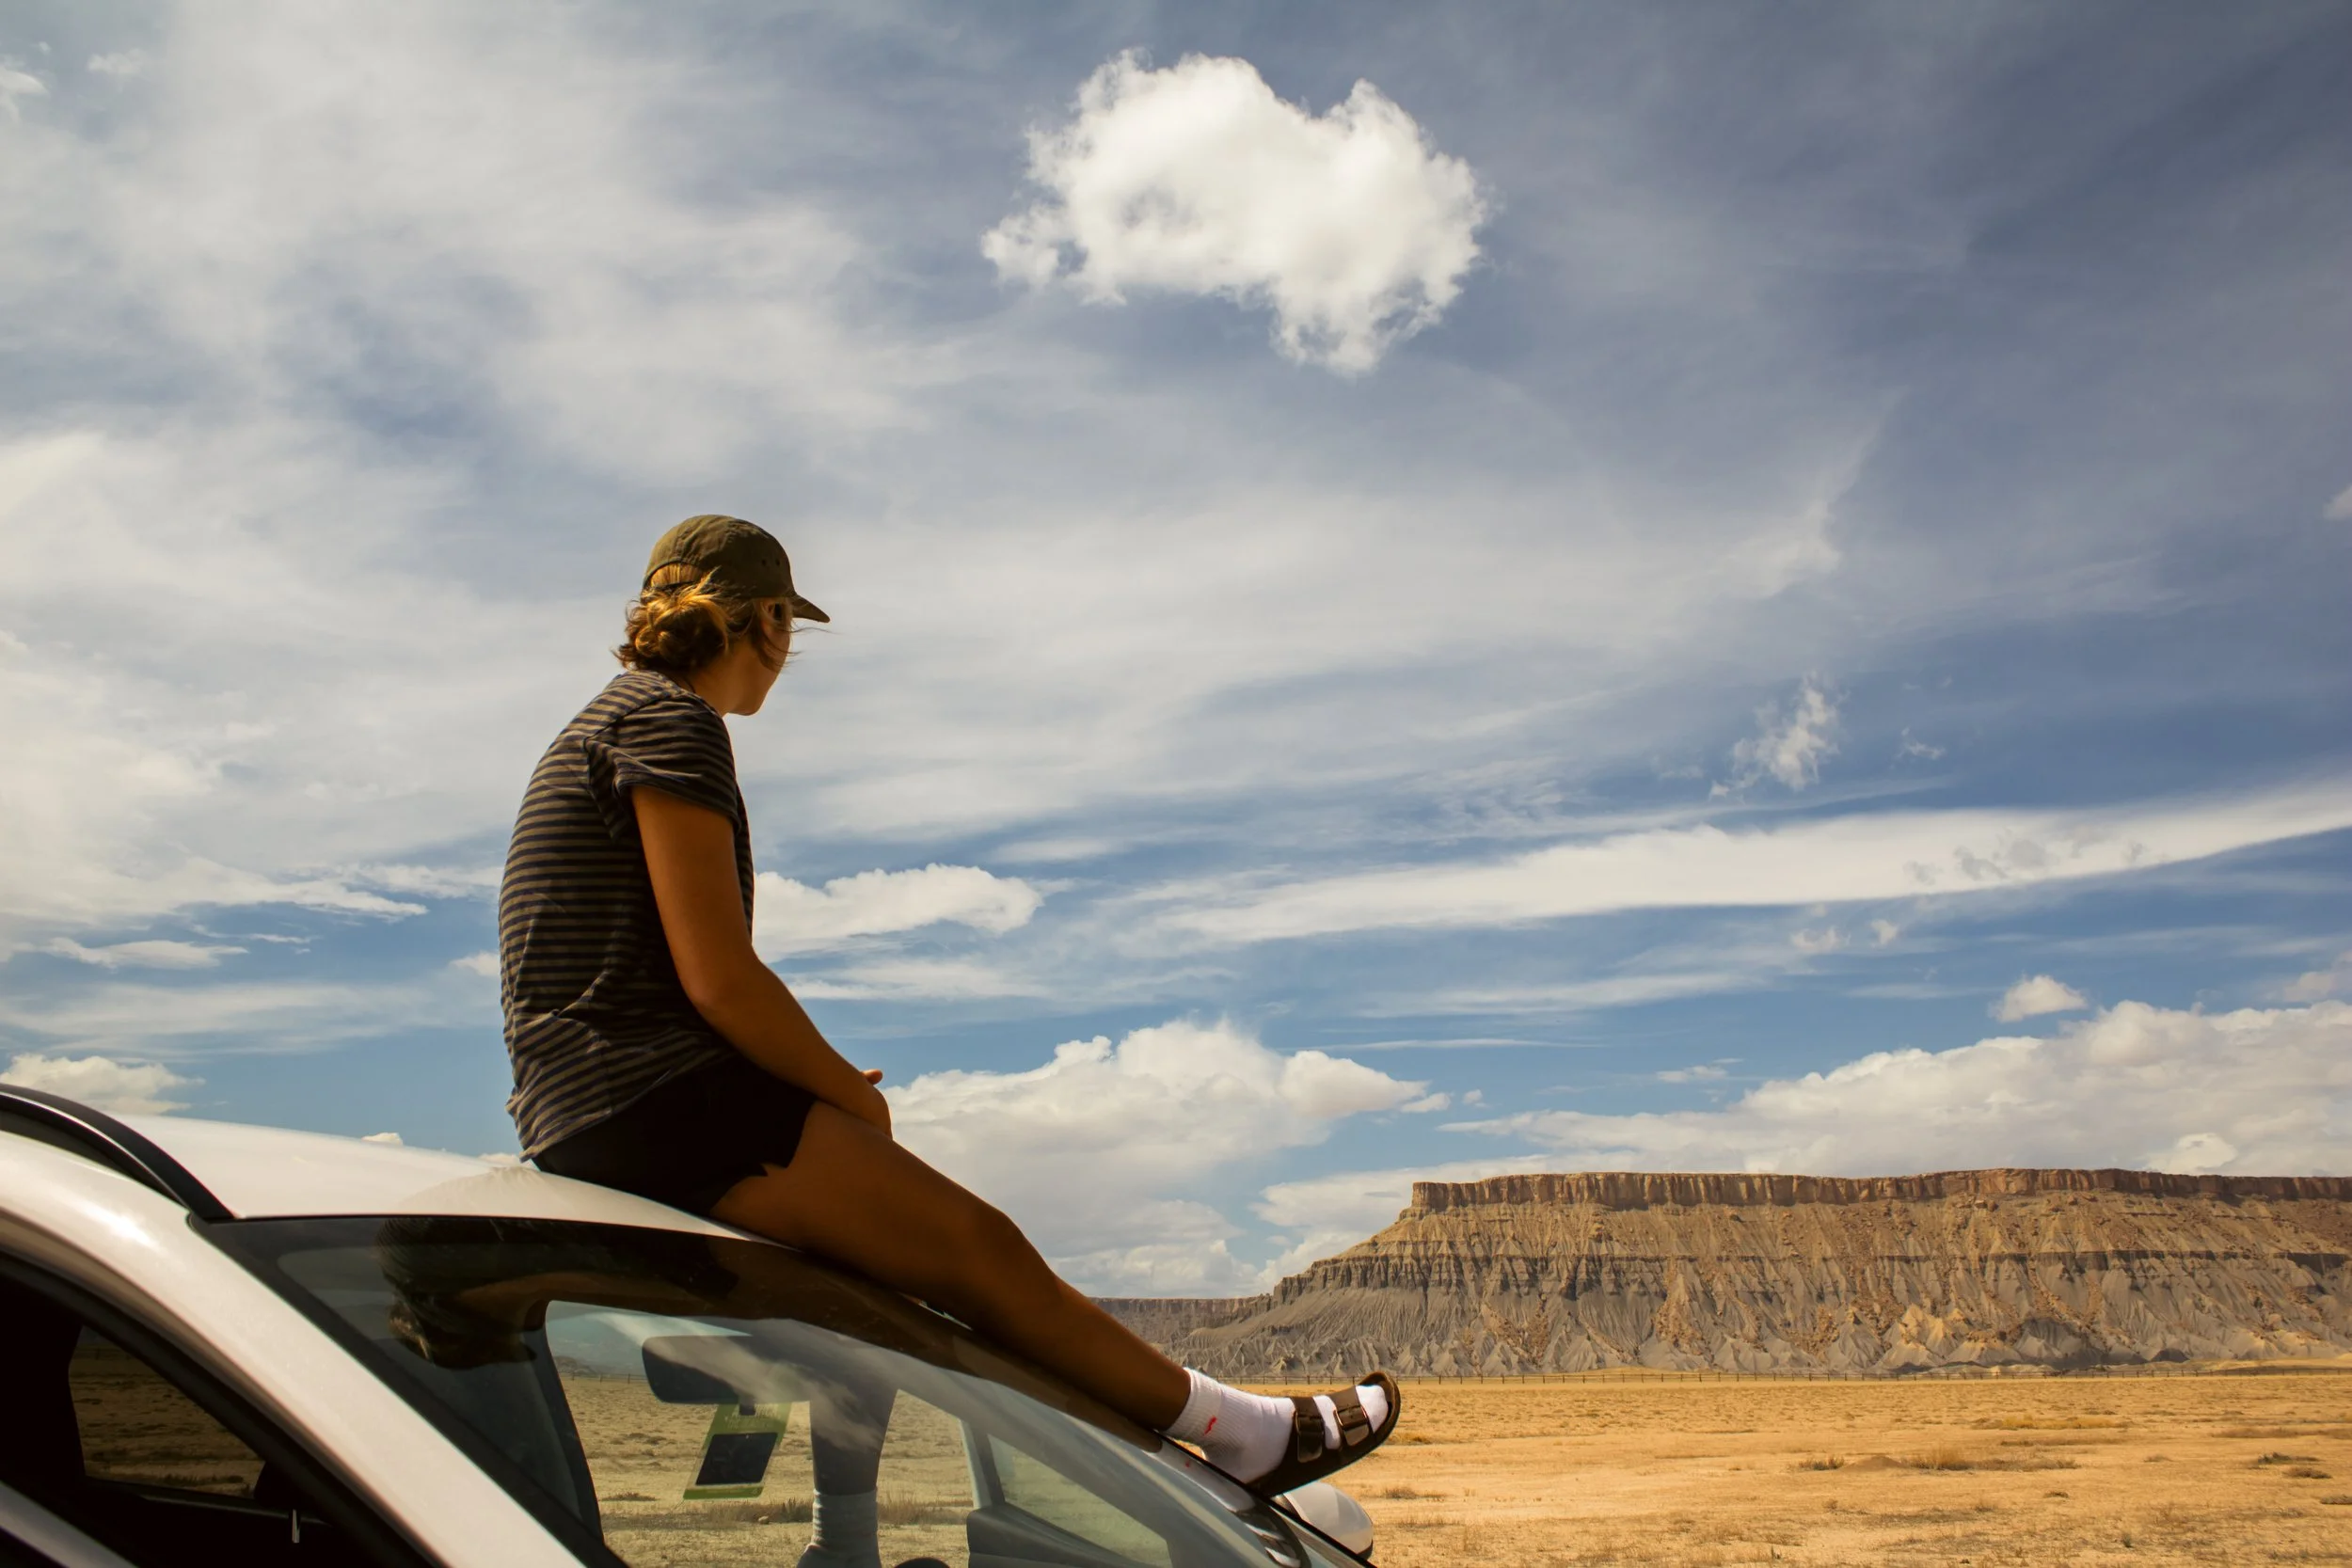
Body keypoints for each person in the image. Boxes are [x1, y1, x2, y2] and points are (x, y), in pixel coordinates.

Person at [498, 515, 1397, 1505]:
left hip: (587, 1099)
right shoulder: (671, 720)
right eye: (788, 625)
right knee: (978, 1249)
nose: (787, 653)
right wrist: (844, 1090)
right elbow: (719, 977)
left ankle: (823, 1527)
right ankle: (1246, 1432)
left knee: (863, 1305)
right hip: (642, 1096)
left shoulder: (610, 715)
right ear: (764, 620)